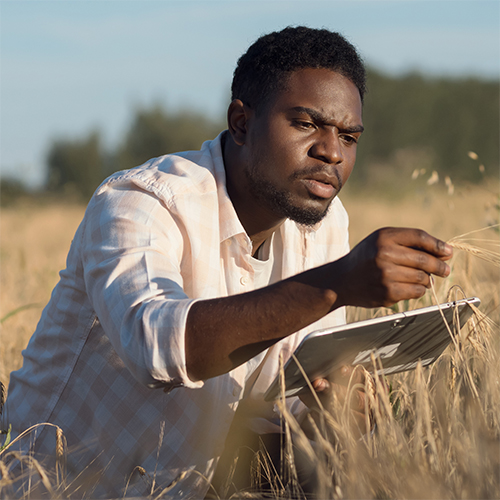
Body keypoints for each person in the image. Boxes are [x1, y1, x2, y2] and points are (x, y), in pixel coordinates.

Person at [3, 26, 452, 498]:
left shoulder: (323, 225)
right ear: (241, 122)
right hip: (50, 487)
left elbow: (271, 430)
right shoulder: (140, 201)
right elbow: (156, 346)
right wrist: (336, 284)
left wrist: (330, 419)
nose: (332, 152)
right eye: (305, 124)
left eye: (349, 136)